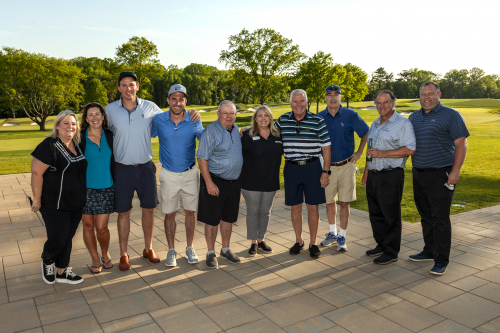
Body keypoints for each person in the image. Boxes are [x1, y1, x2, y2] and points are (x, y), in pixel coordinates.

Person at [105, 71, 200, 270]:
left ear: (137, 86)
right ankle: (123, 253)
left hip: (145, 167)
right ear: (119, 87)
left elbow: (172, 114)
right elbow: (95, 126)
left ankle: (148, 248)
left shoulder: (151, 108)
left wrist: (194, 113)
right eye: (124, 85)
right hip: (122, 168)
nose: (128, 88)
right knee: (123, 212)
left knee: (148, 209)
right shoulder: (110, 110)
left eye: (132, 84)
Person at [408, 82, 469, 275]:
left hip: (441, 173)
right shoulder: (414, 117)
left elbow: (461, 145)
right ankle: (429, 250)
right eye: (423, 94)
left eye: (430, 94)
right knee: (426, 215)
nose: (426, 97)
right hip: (418, 173)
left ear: (439, 94)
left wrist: (455, 171)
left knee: (440, 218)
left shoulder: (451, 115)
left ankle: (441, 259)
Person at [31, 110, 87, 285]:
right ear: (57, 125)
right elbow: (36, 173)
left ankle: (62, 271)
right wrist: (37, 199)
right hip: (54, 204)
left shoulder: (77, 144)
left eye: (73, 123)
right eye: (65, 123)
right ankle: (47, 261)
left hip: (75, 203)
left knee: (68, 238)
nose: (70, 127)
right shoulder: (49, 145)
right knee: (58, 239)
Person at [274, 89, 331, 259]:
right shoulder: (283, 120)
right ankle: (299, 240)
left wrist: (325, 171)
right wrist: (246, 130)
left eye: (302, 101)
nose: (299, 105)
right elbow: (265, 129)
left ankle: (313, 243)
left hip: (312, 167)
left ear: (307, 102)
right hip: (291, 168)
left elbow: (326, 148)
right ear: (290, 103)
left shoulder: (317, 120)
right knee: (295, 207)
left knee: (313, 207)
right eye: (295, 101)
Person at [151, 84, 204, 267]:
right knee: (169, 213)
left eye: (181, 99)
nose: (177, 102)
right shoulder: (158, 120)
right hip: (168, 174)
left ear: (185, 101)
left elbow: (205, 140)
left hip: (190, 173)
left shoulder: (194, 119)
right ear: (168, 100)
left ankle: (189, 247)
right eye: (174, 98)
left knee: (191, 212)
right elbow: (143, 134)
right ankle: (171, 250)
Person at [361, 90, 416, 265]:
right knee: (375, 213)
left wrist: (383, 153)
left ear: (393, 103)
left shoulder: (403, 124)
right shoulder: (375, 123)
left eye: (385, 102)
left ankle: (391, 252)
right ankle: (381, 245)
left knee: (390, 215)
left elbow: (410, 149)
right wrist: (366, 171)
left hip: (391, 175)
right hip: (373, 175)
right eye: (378, 102)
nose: (381, 106)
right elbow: (370, 149)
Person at [318, 85, 369, 252]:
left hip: (346, 165)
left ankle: (342, 236)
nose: (333, 97)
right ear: (325, 98)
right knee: (329, 201)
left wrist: (360, 152)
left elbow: (366, 133)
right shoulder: (318, 117)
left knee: (345, 202)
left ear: (340, 97)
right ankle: (332, 233)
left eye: (336, 94)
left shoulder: (350, 115)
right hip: (326, 167)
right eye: (329, 95)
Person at [197, 100, 243, 269]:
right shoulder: (210, 131)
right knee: (212, 220)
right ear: (218, 114)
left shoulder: (236, 129)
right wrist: (209, 183)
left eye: (232, 113)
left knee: (228, 218)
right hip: (215, 182)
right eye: (225, 113)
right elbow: (201, 158)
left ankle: (225, 249)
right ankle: (210, 252)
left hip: (233, 183)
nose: (228, 116)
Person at [240, 105, 283, 256]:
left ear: (271, 118)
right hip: (250, 182)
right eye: (259, 116)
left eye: (266, 115)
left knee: (265, 212)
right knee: (253, 211)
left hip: (270, 181)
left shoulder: (278, 135)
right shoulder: (247, 135)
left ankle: (261, 239)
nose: (263, 118)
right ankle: (253, 242)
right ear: (255, 119)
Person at [80, 102, 115, 273]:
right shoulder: (79, 138)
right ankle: (95, 258)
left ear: (103, 116)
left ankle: (105, 253)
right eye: (90, 115)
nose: (94, 118)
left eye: (97, 114)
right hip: (84, 188)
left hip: (106, 186)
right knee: (87, 226)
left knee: (101, 227)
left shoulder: (110, 135)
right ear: (86, 119)